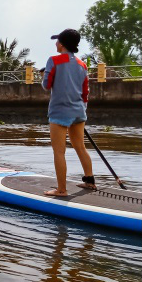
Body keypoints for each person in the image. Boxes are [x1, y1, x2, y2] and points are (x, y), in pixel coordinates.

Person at [41, 28, 94, 196]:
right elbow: (85, 92)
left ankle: (61, 189)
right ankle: (90, 181)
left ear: (62, 44)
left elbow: (46, 85)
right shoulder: (82, 64)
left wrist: (44, 75)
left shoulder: (53, 61)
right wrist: (81, 109)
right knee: (80, 147)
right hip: (79, 110)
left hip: (59, 111)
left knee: (59, 151)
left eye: (57, 41)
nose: (55, 44)